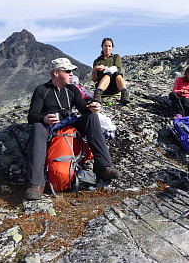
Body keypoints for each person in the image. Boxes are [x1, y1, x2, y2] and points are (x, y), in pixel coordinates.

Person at [26, 58, 121, 200]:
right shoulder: (42, 90)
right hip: (49, 127)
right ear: (56, 73)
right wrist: (43, 119)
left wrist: (93, 107)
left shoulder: (72, 89)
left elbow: (83, 109)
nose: (72, 74)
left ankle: (102, 166)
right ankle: (36, 184)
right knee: (38, 127)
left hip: (69, 124)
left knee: (92, 117)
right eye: (68, 71)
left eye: (72, 71)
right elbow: (31, 117)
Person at [92, 37, 130, 105]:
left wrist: (105, 68)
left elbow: (118, 69)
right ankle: (98, 94)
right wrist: (94, 71)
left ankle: (124, 93)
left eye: (109, 46)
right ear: (102, 47)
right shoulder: (97, 61)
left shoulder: (116, 57)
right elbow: (94, 80)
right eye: (105, 46)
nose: (107, 48)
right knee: (108, 74)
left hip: (115, 87)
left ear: (112, 48)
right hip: (103, 89)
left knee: (117, 73)